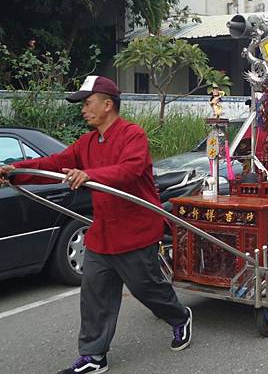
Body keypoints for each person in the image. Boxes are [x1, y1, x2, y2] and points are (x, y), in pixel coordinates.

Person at [0, 75, 192, 374]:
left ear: (107, 104)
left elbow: (129, 170)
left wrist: (91, 175)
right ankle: (94, 356)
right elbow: (54, 164)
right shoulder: (87, 142)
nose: (83, 110)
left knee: (147, 289)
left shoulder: (133, 135)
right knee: (95, 294)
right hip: (103, 231)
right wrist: (16, 171)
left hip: (136, 229)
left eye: (87, 103)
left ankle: (179, 317)